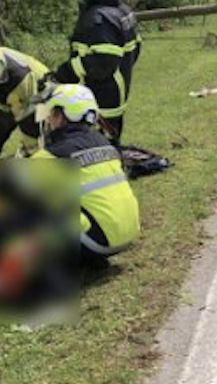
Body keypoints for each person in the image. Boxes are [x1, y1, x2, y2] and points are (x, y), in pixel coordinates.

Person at [33, 84, 140, 265]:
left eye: (51, 113)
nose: (48, 119)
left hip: (93, 243)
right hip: (125, 235)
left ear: (62, 115)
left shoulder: (49, 156)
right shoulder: (105, 143)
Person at [55, 0, 141, 145]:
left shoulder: (99, 19)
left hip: (101, 96)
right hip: (116, 92)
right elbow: (136, 48)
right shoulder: (122, 11)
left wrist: (67, 71)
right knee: (109, 141)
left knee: (98, 147)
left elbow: (103, 62)